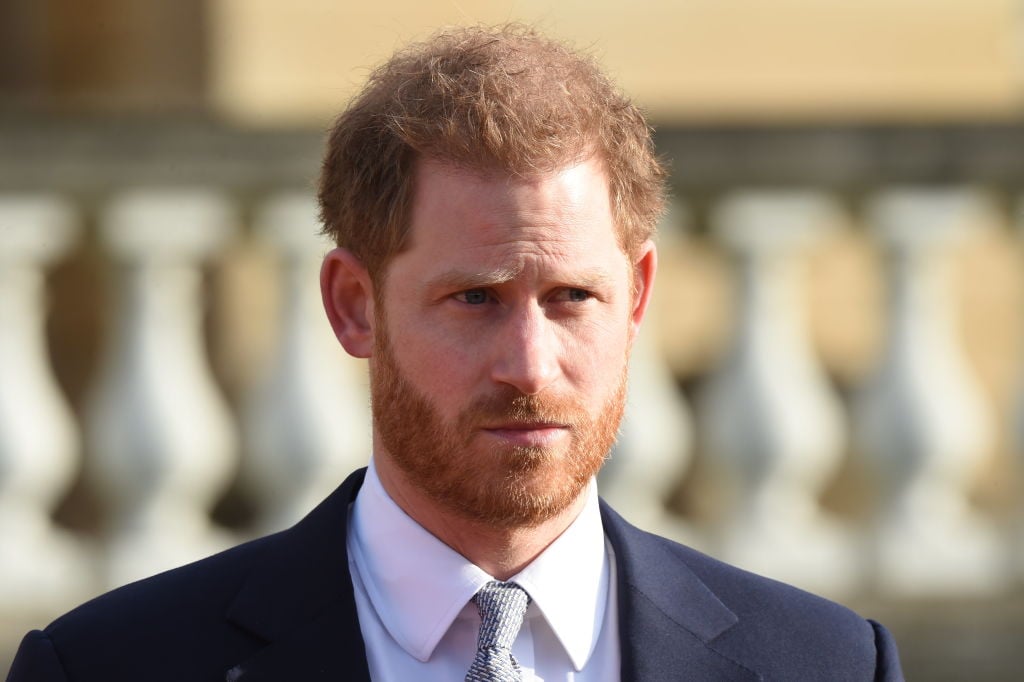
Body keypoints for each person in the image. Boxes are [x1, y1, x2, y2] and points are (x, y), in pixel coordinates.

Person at [7, 23, 903, 682]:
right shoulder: (108, 668)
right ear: (354, 306)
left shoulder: (827, 666)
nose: (529, 364)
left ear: (637, 299)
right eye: (474, 298)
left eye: (573, 298)